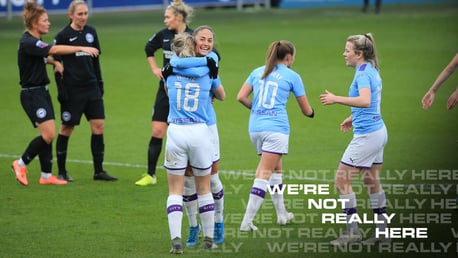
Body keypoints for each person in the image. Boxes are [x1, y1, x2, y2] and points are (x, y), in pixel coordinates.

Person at [13, 1, 99, 186]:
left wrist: (55, 63)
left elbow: (43, 56)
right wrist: (81, 48)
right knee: (49, 134)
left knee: (49, 134)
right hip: (32, 94)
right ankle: (20, 163)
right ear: (35, 23)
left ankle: (46, 176)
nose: (48, 23)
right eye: (45, 20)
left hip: (41, 92)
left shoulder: (34, 42)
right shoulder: (28, 41)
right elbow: (52, 49)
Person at [237, 40, 315, 232]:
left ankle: (282, 214)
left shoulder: (257, 71)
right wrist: (313, 112)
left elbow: (240, 97)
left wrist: (257, 110)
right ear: (289, 57)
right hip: (276, 129)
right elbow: (306, 111)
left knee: (276, 169)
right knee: (263, 173)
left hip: (255, 128)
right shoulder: (292, 76)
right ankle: (246, 222)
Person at [319, 33, 389, 245]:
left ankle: (352, 233)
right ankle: (383, 233)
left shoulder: (363, 74)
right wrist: (352, 117)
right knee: (371, 181)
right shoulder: (370, 69)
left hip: (367, 136)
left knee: (341, 181)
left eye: (347, 51)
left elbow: (366, 100)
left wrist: (335, 99)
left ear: (358, 54)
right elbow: (373, 102)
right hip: (377, 131)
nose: (344, 54)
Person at [163, 32, 225, 254]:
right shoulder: (208, 70)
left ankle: (176, 241)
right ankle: (209, 239)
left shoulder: (168, 72)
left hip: (176, 132)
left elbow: (167, 89)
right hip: (200, 132)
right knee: (204, 187)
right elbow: (221, 94)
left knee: (175, 191)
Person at [53, 0, 117, 182]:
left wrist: (100, 82)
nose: (83, 17)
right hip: (72, 90)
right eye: (79, 14)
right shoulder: (63, 35)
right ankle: (62, 171)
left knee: (98, 126)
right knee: (66, 128)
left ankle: (98, 171)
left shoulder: (91, 32)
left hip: (92, 88)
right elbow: (56, 62)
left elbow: (96, 60)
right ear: (70, 15)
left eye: (85, 13)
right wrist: (61, 89)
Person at [138, 0, 194, 186]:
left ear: (179, 17)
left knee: (184, 135)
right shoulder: (163, 36)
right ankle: (150, 175)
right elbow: (148, 49)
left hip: (186, 93)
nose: (165, 21)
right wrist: (155, 69)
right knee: (157, 130)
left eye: (168, 17)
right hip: (165, 90)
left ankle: (191, 173)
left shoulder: (193, 36)